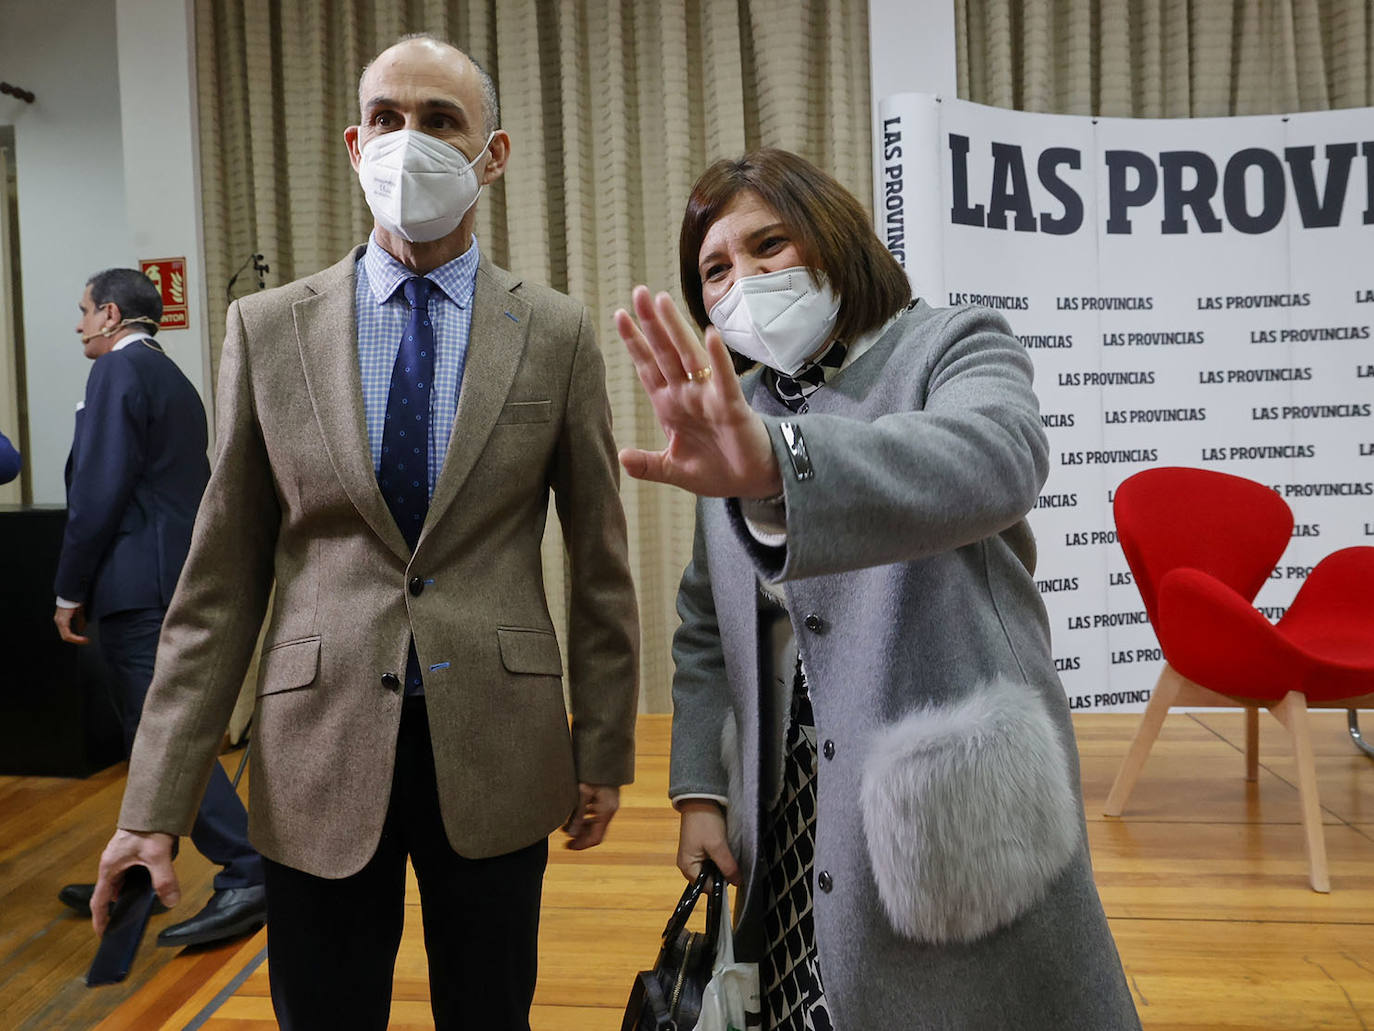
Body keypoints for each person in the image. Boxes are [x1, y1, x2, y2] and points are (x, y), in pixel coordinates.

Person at [90, 35, 638, 1031]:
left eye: (440, 121)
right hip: (318, 753)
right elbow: (217, 583)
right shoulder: (267, 327)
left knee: (490, 1011)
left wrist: (603, 744)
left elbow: (600, 561)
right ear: (354, 141)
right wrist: (152, 804)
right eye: (387, 117)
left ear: (494, 153)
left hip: (501, 747)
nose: (408, 139)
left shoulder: (551, 333)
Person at [614, 149, 1141, 1029]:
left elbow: (999, 456)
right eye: (716, 269)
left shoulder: (949, 341)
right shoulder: (727, 412)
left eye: (769, 244)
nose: (744, 277)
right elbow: (705, 623)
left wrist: (782, 468)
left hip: (946, 805)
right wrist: (701, 787)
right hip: (782, 820)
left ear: (834, 238)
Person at [54, 267, 266, 947]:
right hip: (172, 574)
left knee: (160, 733)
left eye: (85, 312)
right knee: (148, 729)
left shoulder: (115, 373)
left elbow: (98, 488)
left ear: (112, 315)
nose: (80, 324)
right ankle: (139, 863)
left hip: (134, 583)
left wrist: (69, 586)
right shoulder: (173, 377)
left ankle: (249, 866)